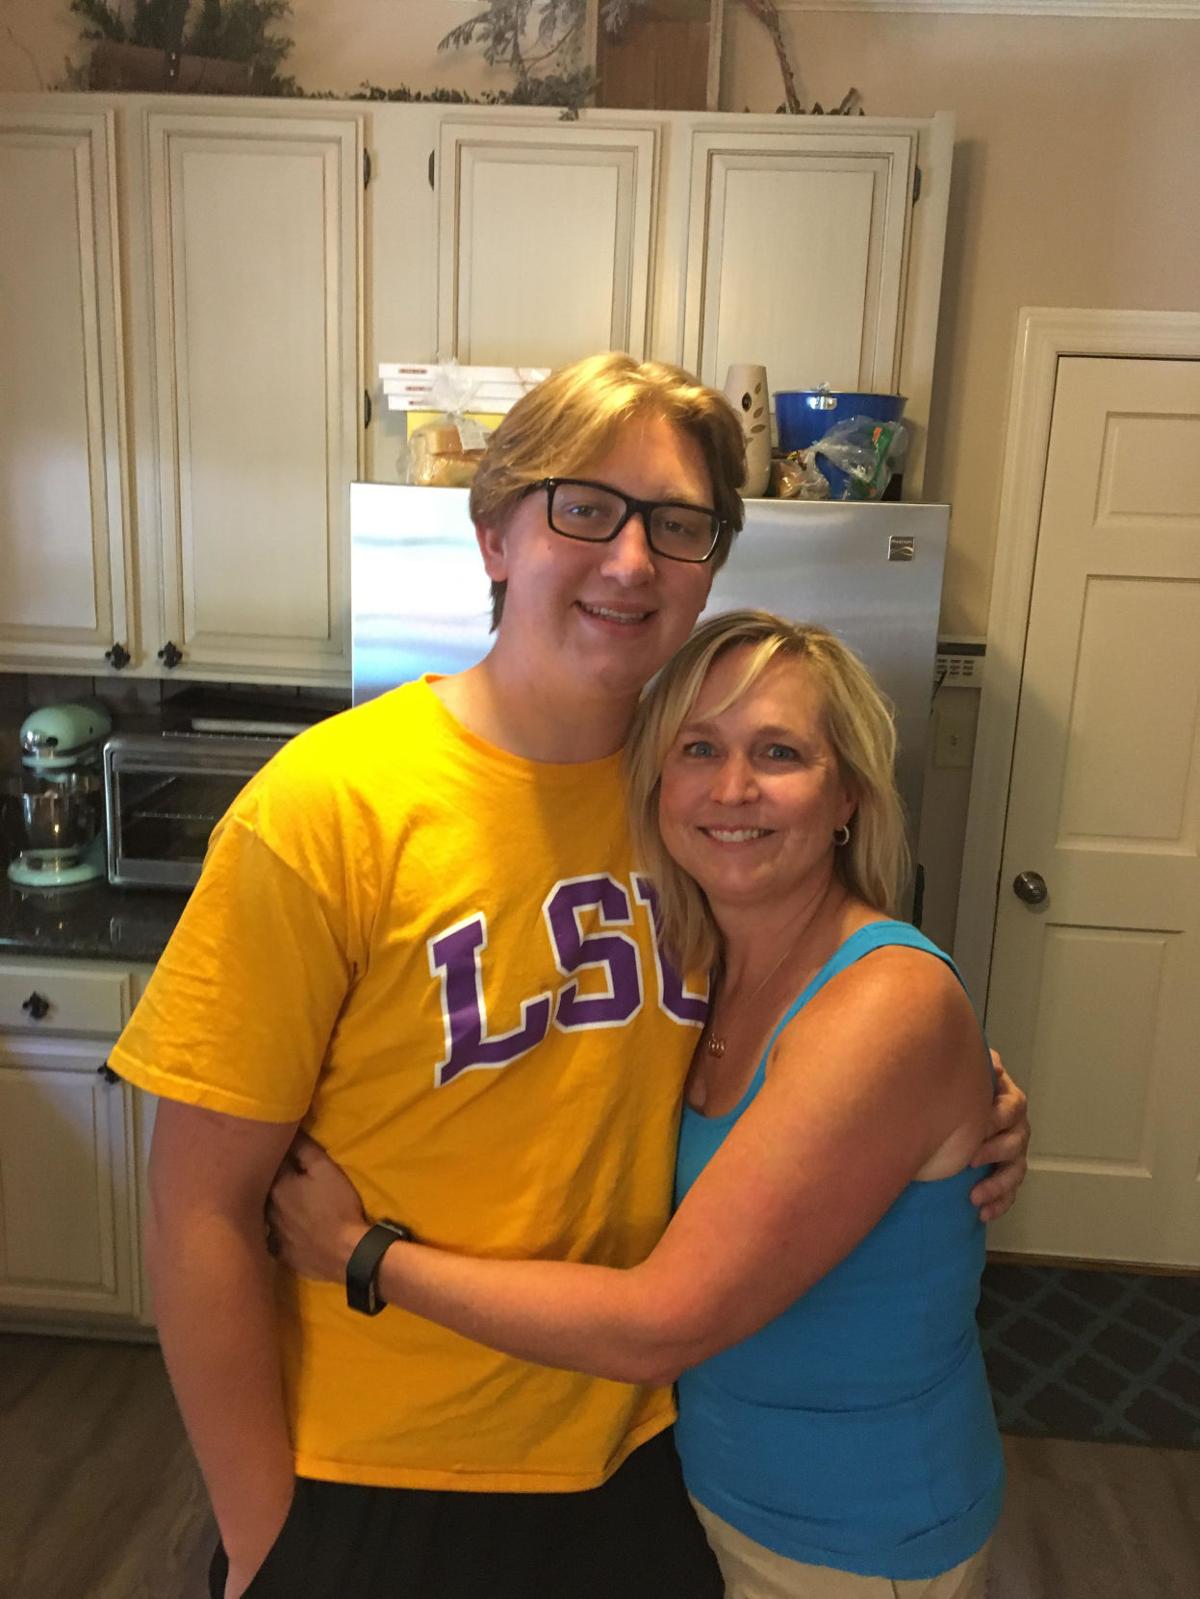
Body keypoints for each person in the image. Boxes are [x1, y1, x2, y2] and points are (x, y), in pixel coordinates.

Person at [108, 354, 1027, 1599]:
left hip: (639, 1456)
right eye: (583, 506)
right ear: (494, 533)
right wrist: (264, 1531)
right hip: (376, 1474)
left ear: (709, 568)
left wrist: (964, 1096)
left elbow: (822, 1025)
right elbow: (196, 1210)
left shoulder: (692, 807)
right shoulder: (325, 811)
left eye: (678, 525)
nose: (632, 559)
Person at [269, 610, 1006, 1598]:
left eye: (778, 752)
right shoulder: (697, 967)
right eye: (698, 748)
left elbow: (663, 1321)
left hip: (849, 1539)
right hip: (699, 1490)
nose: (731, 787)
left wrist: (364, 1253)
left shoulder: (885, 1004)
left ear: (847, 800)